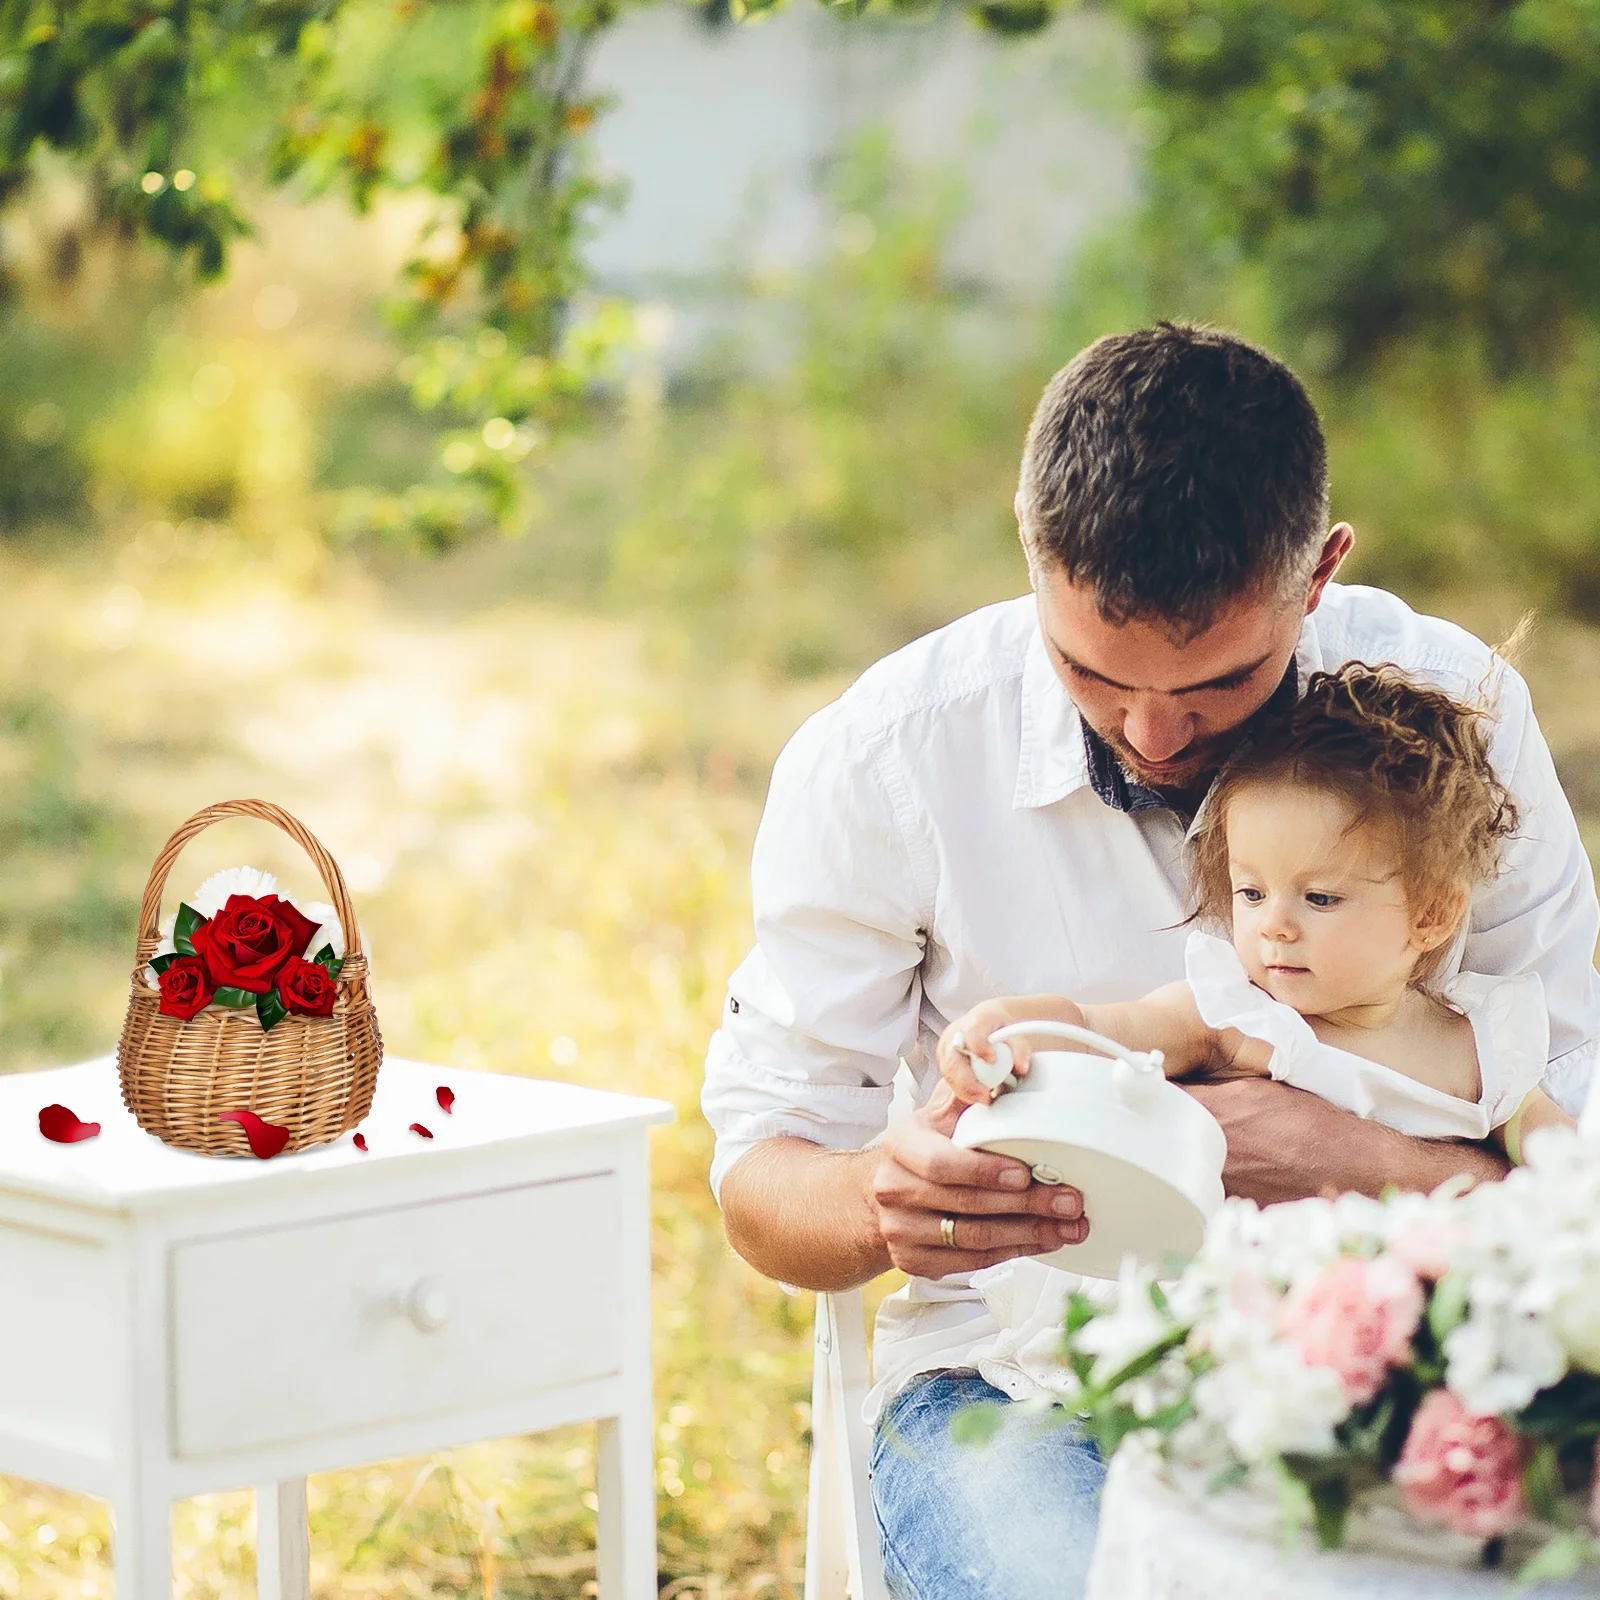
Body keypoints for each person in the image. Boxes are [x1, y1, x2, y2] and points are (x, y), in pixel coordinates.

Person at [701, 323, 1600, 1600]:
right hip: (1019, 1384)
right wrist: (878, 1200)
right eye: (1088, 670)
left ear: (1319, 574)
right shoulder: (887, 756)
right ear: (1030, 554)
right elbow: (762, 1179)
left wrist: (1363, 1162)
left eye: (1217, 684)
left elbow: (1576, 1144)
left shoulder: (1454, 726)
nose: (1152, 730)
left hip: (1412, 1344)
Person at [938, 661, 1577, 1163]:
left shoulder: (1482, 1050)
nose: (1274, 925)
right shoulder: (1234, 1019)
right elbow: (1099, 1029)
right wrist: (1014, 1025)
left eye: (1320, 898)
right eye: (1251, 893)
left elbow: (1566, 1176)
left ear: (1432, 915)